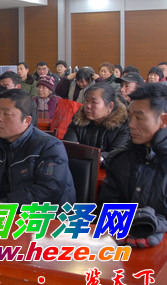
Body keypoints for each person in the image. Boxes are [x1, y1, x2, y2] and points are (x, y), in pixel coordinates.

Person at [0, 89, 76, 206]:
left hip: (40, 215)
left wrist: (0, 207)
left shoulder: (49, 146)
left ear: (27, 120)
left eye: (6, 114)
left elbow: (49, 189)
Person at [99, 83, 167, 248]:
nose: (131, 125)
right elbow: (108, 211)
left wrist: (157, 224)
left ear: (163, 120)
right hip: (123, 248)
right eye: (130, 117)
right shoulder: (119, 159)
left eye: (139, 118)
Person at [63, 82, 129, 165]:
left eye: (94, 102)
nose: (88, 106)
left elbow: (116, 156)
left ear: (110, 106)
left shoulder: (123, 125)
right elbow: (69, 147)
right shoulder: (78, 120)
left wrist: (84, 154)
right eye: (87, 101)